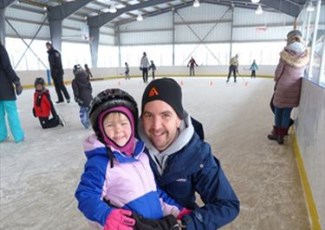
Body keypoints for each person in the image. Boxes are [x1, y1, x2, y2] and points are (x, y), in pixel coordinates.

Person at [75, 88, 191, 230]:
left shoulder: (141, 157)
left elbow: (155, 194)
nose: (118, 131)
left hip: (154, 225)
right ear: (101, 130)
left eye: (124, 123)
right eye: (110, 125)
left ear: (132, 124)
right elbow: (86, 195)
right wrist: (106, 215)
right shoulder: (101, 163)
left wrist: (178, 211)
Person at [138, 78, 240, 229]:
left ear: (179, 118)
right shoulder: (128, 150)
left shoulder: (197, 154)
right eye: (148, 115)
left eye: (165, 115)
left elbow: (227, 204)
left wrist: (185, 225)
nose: (156, 126)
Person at [267, 30, 309, 145]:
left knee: (278, 110)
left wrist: (276, 79)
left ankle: (276, 134)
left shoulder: (286, 53)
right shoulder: (305, 54)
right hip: (295, 87)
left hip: (283, 86)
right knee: (286, 112)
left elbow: (279, 71)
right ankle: (282, 134)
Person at [0, 41, 25, 143]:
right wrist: (16, 80)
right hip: (4, 85)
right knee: (11, 112)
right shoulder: (0, 49)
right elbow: (6, 66)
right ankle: (18, 136)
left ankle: (1, 135)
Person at [72, 65, 93, 129]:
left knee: (83, 111)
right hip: (89, 98)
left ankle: (86, 123)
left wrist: (76, 98)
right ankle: (91, 121)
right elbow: (90, 89)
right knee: (89, 110)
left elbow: (76, 91)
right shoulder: (86, 79)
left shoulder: (74, 81)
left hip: (82, 99)